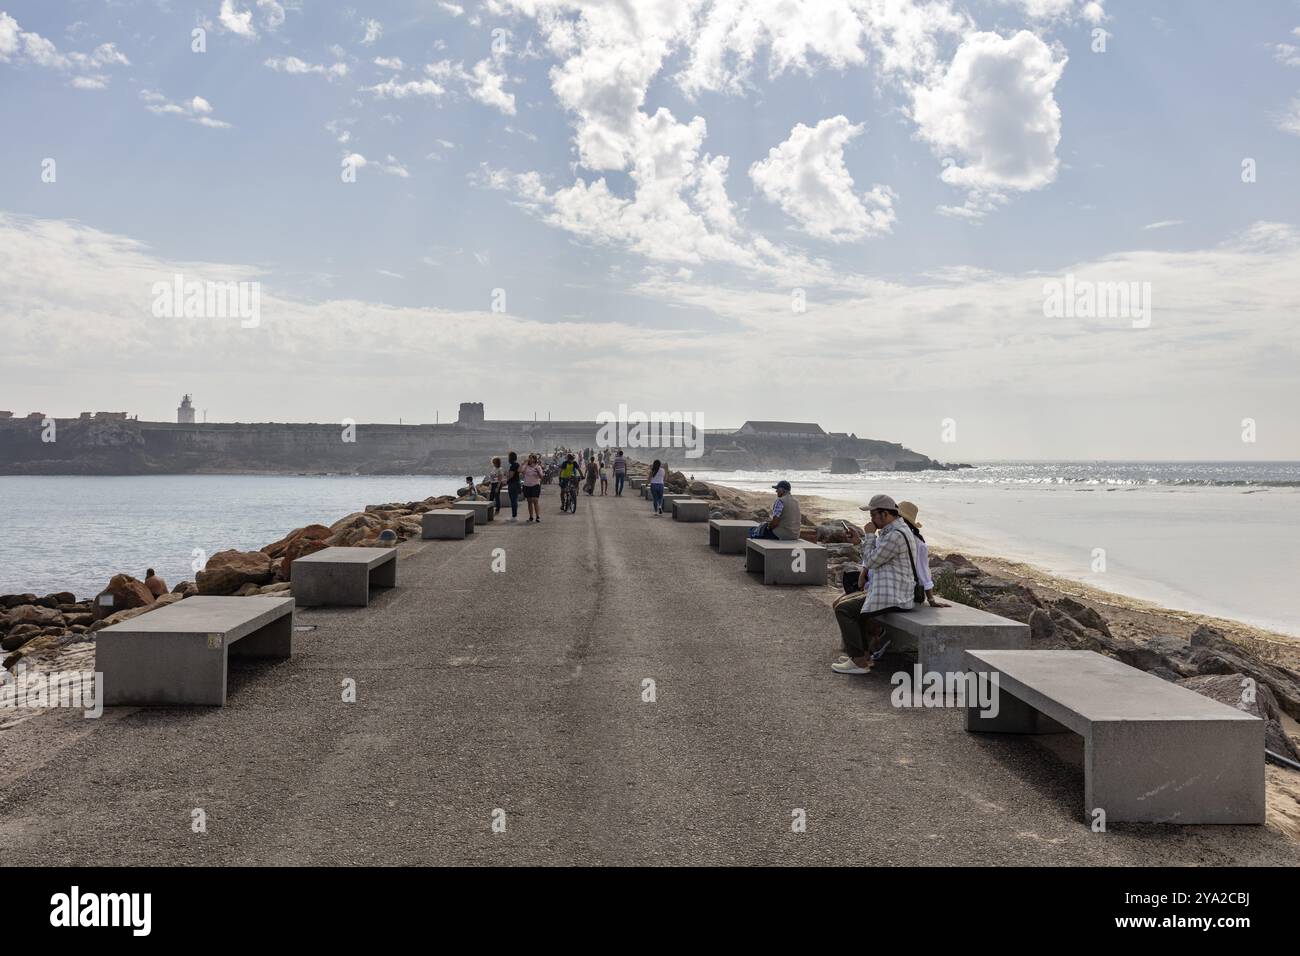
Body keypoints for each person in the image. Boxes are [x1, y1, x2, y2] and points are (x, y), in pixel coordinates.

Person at [831, 494, 920, 675]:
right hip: (887, 591)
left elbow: (871, 561)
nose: (871, 519)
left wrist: (869, 535)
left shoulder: (896, 536)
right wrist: (860, 542)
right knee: (843, 604)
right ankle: (863, 656)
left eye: (873, 515)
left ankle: (859, 662)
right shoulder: (892, 532)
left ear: (885, 514)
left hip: (894, 595)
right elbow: (874, 556)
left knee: (845, 610)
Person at [897, 501, 949, 609]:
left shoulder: (918, 544)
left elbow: (923, 572)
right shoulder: (892, 536)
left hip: (903, 592)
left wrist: (931, 599)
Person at [522, 453, 544, 522]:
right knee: (529, 501)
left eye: (531, 458)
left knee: (535, 500)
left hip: (535, 485)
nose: (530, 459)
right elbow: (521, 471)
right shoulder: (526, 466)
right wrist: (524, 464)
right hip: (527, 485)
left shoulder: (538, 467)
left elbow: (541, 477)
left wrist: (538, 472)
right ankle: (531, 516)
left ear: (534, 459)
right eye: (529, 458)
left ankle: (537, 516)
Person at [505, 450, 522, 521]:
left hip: (512, 484)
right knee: (515, 500)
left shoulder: (513, 466)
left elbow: (511, 476)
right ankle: (514, 515)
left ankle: (514, 516)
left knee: (513, 501)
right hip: (517, 483)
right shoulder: (517, 464)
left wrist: (506, 474)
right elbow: (519, 472)